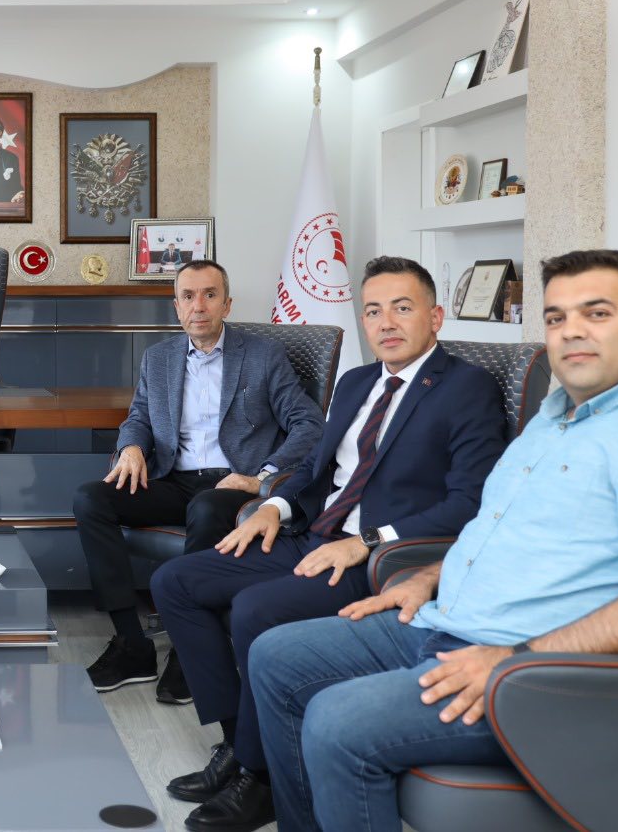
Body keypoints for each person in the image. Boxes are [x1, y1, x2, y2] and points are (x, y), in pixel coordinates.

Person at [248, 249, 618, 832]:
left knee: (336, 720)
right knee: (275, 655)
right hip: (446, 620)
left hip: (535, 673)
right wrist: (427, 577)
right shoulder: (553, 419)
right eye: (556, 317)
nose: (572, 330)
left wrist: (514, 661)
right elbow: (493, 527)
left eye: (597, 313)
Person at [150, 255, 506, 832]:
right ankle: (242, 747)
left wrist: (367, 541)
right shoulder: (357, 382)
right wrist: (275, 506)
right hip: (314, 534)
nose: (386, 322)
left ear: (435, 317)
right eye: (373, 310)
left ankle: (260, 780)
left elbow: (469, 502)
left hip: (381, 558)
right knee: (176, 582)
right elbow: (317, 469)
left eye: (402, 308)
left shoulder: (466, 388)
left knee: (256, 608)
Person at [76, 260, 324, 704]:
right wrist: (131, 447)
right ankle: (131, 643)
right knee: (91, 499)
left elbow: (308, 424)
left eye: (210, 294)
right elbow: (139, 418)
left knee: (207, 506)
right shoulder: (158, 358)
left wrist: (262, 477)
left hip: (233, 485)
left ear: (227, 304)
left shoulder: (263, 355)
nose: (199, 305)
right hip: (172, 478)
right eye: (188, 296)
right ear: (176, 307)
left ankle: (189, 650)